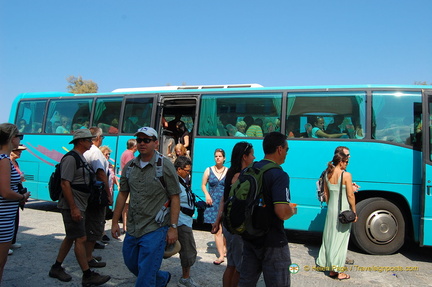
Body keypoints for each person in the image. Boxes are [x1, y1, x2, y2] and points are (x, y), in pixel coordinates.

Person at [111, 127, 181, 287]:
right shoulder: (129, 167)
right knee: (131, 262)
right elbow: (122, 194)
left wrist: (173, 227)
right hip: (134, 227)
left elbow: (175, 197)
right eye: (140, 140)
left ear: (156, 143)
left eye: (147, 140)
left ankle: (153, 279)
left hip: (155, 229)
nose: (142, 143)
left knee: (144, 278)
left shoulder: (165, 166)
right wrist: (115, 221)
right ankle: (161, 279)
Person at [49, 129, 110, 285]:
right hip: (73, 205)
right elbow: (65, 183)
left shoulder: (80, 157)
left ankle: (56, 267)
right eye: (89, 140)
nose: (92, 142)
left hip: (80, 203)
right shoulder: (71, 158)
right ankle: (87, 275)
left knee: (71, 237)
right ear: (81, 141)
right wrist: (73, 207)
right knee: (80, 238)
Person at [239, 132, 296, 287]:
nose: (286, 153)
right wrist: (292, 210)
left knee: (246, 281)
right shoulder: (279, 174)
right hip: (273, 240)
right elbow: (281, 212)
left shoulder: (249, 170)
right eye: (286, 149)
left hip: (250, 236)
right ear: (279, 149)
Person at [212, 142, 255, 287]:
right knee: (239, 266)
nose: (254, 158)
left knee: (231, 264)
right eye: (252, 154)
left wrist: (218, 221)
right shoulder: (242, 176)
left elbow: (224, 200)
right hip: (238, 226)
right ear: (244, 157)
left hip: (228, 224)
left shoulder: (230, 172)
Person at [316, 152, 357, 280]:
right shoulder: (346, 175)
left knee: (329, 238)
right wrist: (354, 211)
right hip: (342, 211)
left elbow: (327, 195)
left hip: (331, 210)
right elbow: (350, 195)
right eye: (346, 162)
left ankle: (328, 266)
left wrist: (332, 206)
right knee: (340, 240)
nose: (347, 164)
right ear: (341, 162)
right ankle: (338, 271)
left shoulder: (328, 174)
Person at [0, 124, 30, 282]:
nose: (20, 140)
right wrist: (22, 196)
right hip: (3, 218)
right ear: (12, 139)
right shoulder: (4, 160)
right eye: (19, 137)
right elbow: (5, 192)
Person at [83, 127, 113, 266]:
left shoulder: (89, 151)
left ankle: (89, 255)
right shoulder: (95, 153)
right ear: (98, 137)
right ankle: (88, 258)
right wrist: (108, 193)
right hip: (96, 195)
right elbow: (101, 174)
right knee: (94, 225)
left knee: (90, 224)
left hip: (90, 194)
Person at [174, 156, 200, 287]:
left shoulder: (183, 182)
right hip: (181, 222)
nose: (189, 173)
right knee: (188, 251)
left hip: (185, 220)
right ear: (179, 169)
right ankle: (185, 278)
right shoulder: (175, 183)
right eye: (187, 171)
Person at [201, 148, 227, 265]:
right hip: (212, 203)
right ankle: (221, 255)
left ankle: (224, 249)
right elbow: (203, 184)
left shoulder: (228, 171)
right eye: (216, 156)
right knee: (217, 230)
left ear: (224, 158)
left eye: (220, 156)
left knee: (225, 230)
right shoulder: (209, 170)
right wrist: (206, 195)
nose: (218, 158)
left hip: (224, 203)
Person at [9, 144, 28, 254]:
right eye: (17, 150)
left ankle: (12, 241)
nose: (19, 152)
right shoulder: (7, 163)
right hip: (11, 194)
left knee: (15, 218)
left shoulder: (15, 163)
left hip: (17, 191)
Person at [99, 145, 118, 243]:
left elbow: (113, 177)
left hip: (108, 192)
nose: (108, 156)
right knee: (101, 214)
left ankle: (101, 233)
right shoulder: (100, 164)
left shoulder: (109, 164)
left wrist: (118, 184)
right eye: (107, 154)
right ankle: (102, 234)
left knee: (104, 214)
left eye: (109, 154)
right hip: (102, 193)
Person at [120, 139, 137, 233]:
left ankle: (125, 226)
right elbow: (131, 170)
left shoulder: (126, 153)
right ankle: (125, 227)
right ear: (134, 146)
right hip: (129, 183)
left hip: (127, 182)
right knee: (127, 207)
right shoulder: (129, 155)